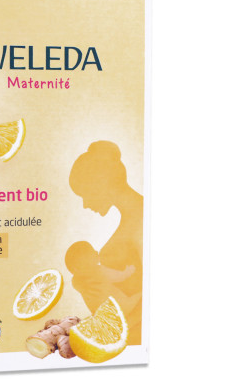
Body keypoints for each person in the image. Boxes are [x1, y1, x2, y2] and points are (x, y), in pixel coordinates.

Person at [66, 141, 143, 344]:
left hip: (133, 337)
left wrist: (112, 328)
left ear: (99, 184)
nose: (85, 204)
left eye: (85, 195)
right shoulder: (132, 219)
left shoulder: (142, 221)